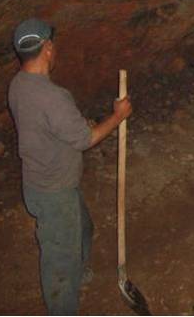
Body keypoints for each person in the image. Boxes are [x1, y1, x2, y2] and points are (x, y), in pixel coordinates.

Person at [8, 18, 132, 315]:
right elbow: (85, 140)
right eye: (53, 42)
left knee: (83, 230)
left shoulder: (17, 85)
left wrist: (75, 131)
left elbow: (48, 127)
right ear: (48, 48)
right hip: (54, 191)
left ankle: (78, 272)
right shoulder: (54, 97)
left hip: (44, 182)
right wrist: (118, 116)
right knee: (59, 264)